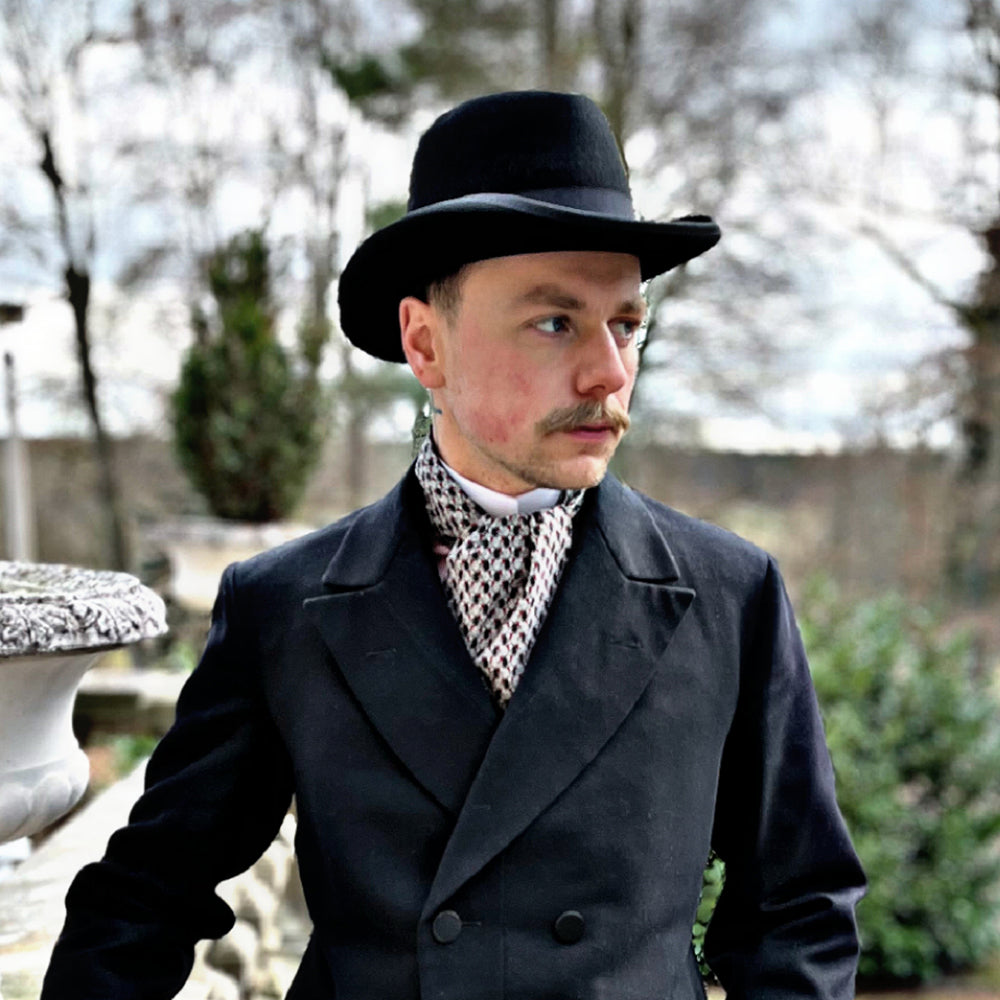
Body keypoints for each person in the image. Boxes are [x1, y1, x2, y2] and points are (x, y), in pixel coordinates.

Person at [43, 90, 865, 1000]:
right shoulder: (283, 606)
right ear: (426, 345)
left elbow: (798, 911)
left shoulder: (731, 595)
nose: (610, 372)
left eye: (627, 324)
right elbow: (143, 904)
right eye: (555, 322)